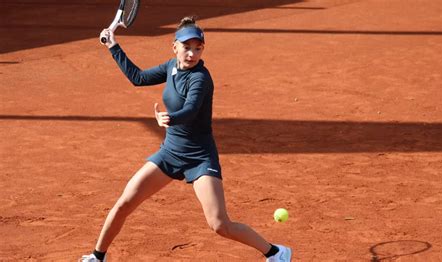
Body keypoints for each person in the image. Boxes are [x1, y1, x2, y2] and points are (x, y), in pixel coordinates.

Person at [80, 16, 291, 262]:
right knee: (124, 203)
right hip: (170, 152)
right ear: (175, 47)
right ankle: (97, 257)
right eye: (187, 47)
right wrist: (113, 46)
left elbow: (190, 110)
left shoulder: (201, 78)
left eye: (198, 48)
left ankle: (276, 253)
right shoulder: (171, 67)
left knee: (220, 224)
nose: (192, 53)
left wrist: (169, 118)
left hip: (199, 157)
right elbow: (138, 78)